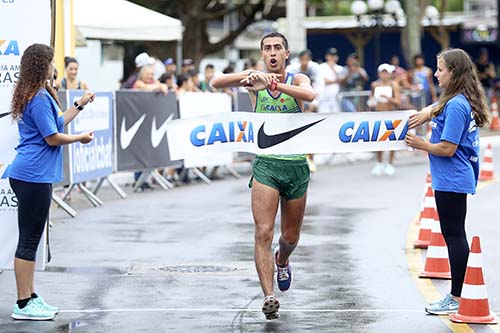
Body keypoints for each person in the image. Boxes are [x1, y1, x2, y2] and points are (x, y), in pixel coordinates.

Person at [211, 32, 316, 320]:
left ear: (286, 53)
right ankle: (268, 296)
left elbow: (310, 96)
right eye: (267, 48)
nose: (272, 52)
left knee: (290, 237)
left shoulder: (296, 79)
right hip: (266, 165)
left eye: (277, 48)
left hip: (295, 166)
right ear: (262, 54)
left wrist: (276, 83)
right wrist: (248, 76)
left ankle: (282, 260)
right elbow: (215, 83)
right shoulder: (255, 81)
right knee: (263, 232)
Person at [2, 44, 95, 321]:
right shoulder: (39, 97)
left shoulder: (37, 94)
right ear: (42, 65)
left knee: (31, 238)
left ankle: (29, 296)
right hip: (32, 174)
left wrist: (79, 104)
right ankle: (22, 302)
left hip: (32, 174)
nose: (55, 67)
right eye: (52, 62)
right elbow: (52, 137)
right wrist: (80, 139)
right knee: (29, 240)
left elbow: (56, 123)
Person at [405, 48, 491, 315]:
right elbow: (437, 109)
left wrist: (421, 144)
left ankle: (456, 296)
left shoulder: (455, 105)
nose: (436, 73)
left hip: (452, 178)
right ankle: (458, 293)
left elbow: (447, 148)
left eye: (441, 69)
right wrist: (427, 113)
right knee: (453, 234)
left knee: (454, 236)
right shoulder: (453, 100)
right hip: (450, 178)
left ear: (454, 72)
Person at [369, 63, 401, 176]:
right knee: (378, 140)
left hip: (391, 115)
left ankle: (390, 163)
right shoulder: (374, 85)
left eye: (386, 72)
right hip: (378, 115)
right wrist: (372, 102)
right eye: (382, 72)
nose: (384, 75)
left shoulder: (394, 85)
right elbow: (370, 100)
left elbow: (398, 101)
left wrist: (388, 98)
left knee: (392, 140)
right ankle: (379, 162)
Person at [318, 47, 342, 114]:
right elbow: (324, 80)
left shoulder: (340, 68)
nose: (332, 58)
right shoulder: (321, 67)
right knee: (323, 116)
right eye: (330, 55)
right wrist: (336, 81)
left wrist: (333, 68)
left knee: (336, 117)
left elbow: (341, 80)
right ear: (327, 56)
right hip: (324, 98)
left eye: (334, 56)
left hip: (336, 98)